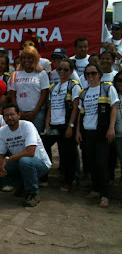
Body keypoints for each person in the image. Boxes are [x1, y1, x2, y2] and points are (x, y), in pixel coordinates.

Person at [0, 103, 52, 207]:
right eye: (6, 115)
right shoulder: (3, 131)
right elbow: (0, 153)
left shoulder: (27, 126)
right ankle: (23, 184)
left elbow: (30, 152)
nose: (9, 117)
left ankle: (33, 193)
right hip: (20, 163)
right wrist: (0, 165)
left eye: (12, 114)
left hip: (39, 164)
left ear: (19, 115)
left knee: (25, 161)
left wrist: (7, 159)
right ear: (3, 118)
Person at [76, 63, 118, 208]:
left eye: (93, 73)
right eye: (88, 74)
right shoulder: (84, 92)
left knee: (102, 163)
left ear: (99, 74)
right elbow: (80, 114)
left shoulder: (107, 88)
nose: (91, 76)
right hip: (87, 133)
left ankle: (105, 195)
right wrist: (78, 131)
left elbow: (114, 108)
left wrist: (111, 128)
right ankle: (95, 189)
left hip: (102, 132)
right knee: (91, 163)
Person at [44, 58, 81, 191]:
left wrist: (71, 126)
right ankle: (45, 175)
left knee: (67, 154)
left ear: (71, 71)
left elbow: (76, 108)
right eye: (60, 69)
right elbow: (50, 106)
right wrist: (47, 120)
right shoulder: (53, 87)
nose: (62, 72)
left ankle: (69, 181)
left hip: (66, 124)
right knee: (44, 145)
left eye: (66, 69)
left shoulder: (74, 86)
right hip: (54, 124)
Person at [8, 46, 49, 133]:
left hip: (37, 113)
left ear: (35, 58)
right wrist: (18, 111)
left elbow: (44, 94)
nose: (27, 60)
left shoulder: (42, 73)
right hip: (20, 113)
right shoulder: (15, 74)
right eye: (24, 58)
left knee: (36, 139)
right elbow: (12, 94)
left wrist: (35, 112)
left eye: (30, 58)